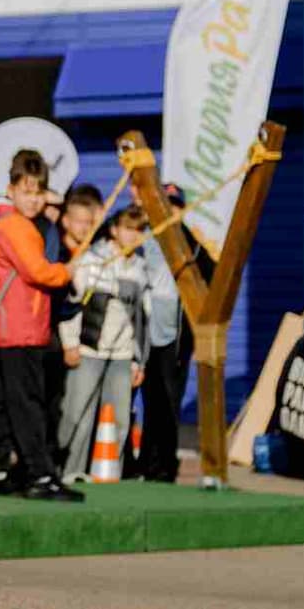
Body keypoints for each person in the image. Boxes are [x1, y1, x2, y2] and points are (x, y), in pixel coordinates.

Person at [0, 150, 79, 502]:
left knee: (3, 402)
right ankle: (40, 473)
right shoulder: (15, 226)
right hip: (22, 329)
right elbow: (39, 271)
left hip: (9, 329)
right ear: (12, 189)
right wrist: (69, 271)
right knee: (28, 404)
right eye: (27, 191)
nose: (33, 200)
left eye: (38, 193)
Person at [56, 206, 151, 484]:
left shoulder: (141, 269)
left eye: (139, 230)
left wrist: (138, 361)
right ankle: (67, 473)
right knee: (77, 415)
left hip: (121, 357)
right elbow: (70, 305)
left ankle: (110, 476)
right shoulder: (92, 260)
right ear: (114, 230)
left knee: (120, 420)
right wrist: (70, 343)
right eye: (128, 228)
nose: (134, 236)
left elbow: (143, 320)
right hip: (88, 351)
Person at [138, 186, 189, 484]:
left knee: (168, 402)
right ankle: (144, 462)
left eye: (175, 206)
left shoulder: (190, 244)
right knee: (147, 399)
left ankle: (165, 466)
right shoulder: (144, 237)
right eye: (164, 205)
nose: (170, 211)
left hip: (173, 338)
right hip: (143, 334)